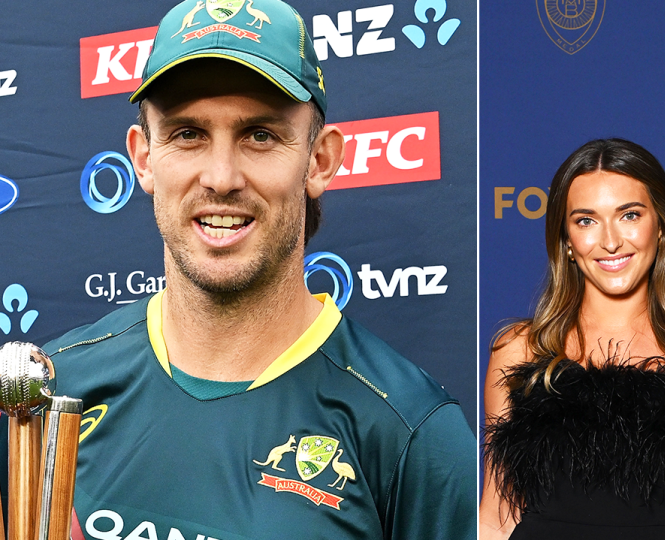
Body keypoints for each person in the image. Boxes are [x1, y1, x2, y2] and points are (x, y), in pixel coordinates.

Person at [40, 1, 476, 538]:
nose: (221, 177)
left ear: (319, 160)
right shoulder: (53, 391)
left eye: (261, 135)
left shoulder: (412, 432)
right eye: (187, 134)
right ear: (144, 157)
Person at [479, 138, 665, 540]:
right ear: (566, 240)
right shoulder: (519, 350)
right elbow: (496, 515)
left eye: (629, 215)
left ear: (661, 226)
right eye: (586, 221)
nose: (611, 241)